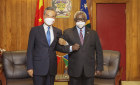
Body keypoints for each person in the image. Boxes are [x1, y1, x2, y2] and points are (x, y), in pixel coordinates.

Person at [27, 7, 80, 85]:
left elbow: (58, 47)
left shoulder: (57, 31)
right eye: (48, 15)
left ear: (55, 18)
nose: (50, 18)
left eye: (52, 16)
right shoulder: (35, 30)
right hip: (38, 68)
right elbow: (30, 50)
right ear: (44, 16)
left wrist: (71, 47)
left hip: (51, 68)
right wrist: (30, 67)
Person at [59, 11, 103, 85]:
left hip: (89, 70)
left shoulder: (93, 33)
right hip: (74, 70)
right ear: (75, 20)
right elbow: (60, 48)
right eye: (78, 19)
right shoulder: (68, 32)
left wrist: (99, 68)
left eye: (82, 19)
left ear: (86, 20)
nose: (80, 21)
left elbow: (99, 51)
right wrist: (71, 48)